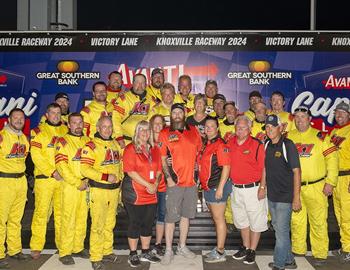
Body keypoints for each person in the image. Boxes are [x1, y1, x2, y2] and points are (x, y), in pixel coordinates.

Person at [288, 106, 338, 266]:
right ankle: (298, 250)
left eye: (303, 116)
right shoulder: (289, 136)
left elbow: (332, 160)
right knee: (296, 221)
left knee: (318, 221)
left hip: (317, 186)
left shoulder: (321, 137)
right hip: (295, 187)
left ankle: (320, 253)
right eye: (297, 117)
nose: (300, 120)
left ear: (310, 119)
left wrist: (330, 182)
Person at [158, 103, 202, 265]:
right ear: (170, 115)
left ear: (184, 114)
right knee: (170, 217)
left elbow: (199, 152)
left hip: (191, 182)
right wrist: (168, 178)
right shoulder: (164, 132)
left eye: (179, 112)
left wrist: (197, 171)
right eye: (174, 112)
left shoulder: (194, 131)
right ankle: (168, 250)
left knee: (185, 216)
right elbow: (162, 159)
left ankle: (182, 246)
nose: (177, 115)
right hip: (174, 183)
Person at [81, 116, 122, 270]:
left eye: (110, 126)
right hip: (99, 190)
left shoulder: (115, 144)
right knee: (98, 225)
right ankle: (96, 256)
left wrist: (120, 184)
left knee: (110, 224)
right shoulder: (90, 146)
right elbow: (84, 169)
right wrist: (105, 176)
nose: (107, 129)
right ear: (97, 128)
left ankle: (107, 251)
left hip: (114, 191)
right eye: (104, 126)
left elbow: (120, 166)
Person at [30, 103, 68, 259]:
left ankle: (62, 246)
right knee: (41, 214)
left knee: (61, 214)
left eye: (58, 112)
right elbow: (36, 156)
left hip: (62, 179)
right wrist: (52, 172)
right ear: (46, 114)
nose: (55, 115)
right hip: (45, 179)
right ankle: (36, 246)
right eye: (52, 112)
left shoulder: (66, 130)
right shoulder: (37, 131)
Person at [227, 115, 267, 265]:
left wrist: (262, 187)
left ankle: (252, 250)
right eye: (238, 127)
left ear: (250, 129)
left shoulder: (257, 145)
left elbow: (264, 168)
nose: (241, 130)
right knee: (242, 221)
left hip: (254, 188)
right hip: (236, 188)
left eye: (244, 127)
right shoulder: (230, 143)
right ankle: (245, 246)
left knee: (256, 221)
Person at [122, 120, 162, 267]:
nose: (145, 133)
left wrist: (156, 184)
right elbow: (130, 171)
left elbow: (159, 169)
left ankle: (145, 251)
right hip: (135, 193)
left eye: (147, 130)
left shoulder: (155, 149)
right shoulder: (130, 149)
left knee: (148, 223)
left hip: (151, 192)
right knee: (135, 223)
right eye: (142, 130)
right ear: (137, 132)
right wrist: (148, 185)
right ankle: (133, 254)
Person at [264, 114, 302, 270]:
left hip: (285, 197)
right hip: (272, 196)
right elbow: (265, 169)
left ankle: (279, 264)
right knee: (279, 229)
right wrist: (262, 187)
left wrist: (296, 198)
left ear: (280, 128)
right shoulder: (267, 144)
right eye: (267, 127)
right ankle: (289, 260)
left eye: (273, 127)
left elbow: (297, 172)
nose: (269, 130)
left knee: (281, 232)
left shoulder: (288, 145)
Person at [55, 113, 90, 265]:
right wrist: (77, 182)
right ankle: (65, 252)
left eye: (80, 122)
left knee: (82, 218)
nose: (78, 125)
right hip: (70, 186)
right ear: (68, 125)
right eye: (74, 123)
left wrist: (87, 180)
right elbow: (61, 167)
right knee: (68, 219)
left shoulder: (88, 141)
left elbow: (93, 164)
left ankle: (78, 247)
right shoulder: (62, 142)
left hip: (86, 185)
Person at [198, 117, 231, 263]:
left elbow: (227, 167)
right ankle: (219, 247)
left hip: (217, 187)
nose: (209, 128)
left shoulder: (220, 144)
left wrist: (220, 188)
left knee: (219, 220)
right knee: (216, 219)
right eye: (206, 126)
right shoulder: (207, 144)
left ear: (217, 129)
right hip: (208, 187)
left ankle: (220, 251)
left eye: (212, 126)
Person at [0, 109, 30, 269]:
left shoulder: (24, 138)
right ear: (9, 119)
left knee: (15, 219)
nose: (19, 120)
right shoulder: (2, 136)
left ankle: (14, 249)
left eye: (21, 118)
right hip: (4, 181)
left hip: (21, 181)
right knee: (0, 220)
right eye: (15, 117)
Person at [329, 101, 350, 263]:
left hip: (348, 177)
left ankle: (349, 249)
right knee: (338, 215)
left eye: (342, 113)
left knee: (347, 216)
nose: (339, 115)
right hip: (336, 178)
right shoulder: (334, 131)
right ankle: (345, 246)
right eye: (337, 112)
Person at [113, 73, 154, 148]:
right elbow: (116, 119)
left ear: (146, 84)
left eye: (142, 82)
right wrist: (119, 137)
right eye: (137, 82)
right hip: (126, 141)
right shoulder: (123, 99)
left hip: (144, 142)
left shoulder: (151, 100)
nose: (140, 85)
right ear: (133, 83)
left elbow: (152, 119)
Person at [149, 115, 167, 256]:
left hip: (162, 185)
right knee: (148, 216)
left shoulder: (167, 139)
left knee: (161, 215)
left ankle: (158, 243)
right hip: (147, 185)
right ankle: (145, 243)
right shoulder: (144, 140)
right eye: (155, 123)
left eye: (160, 123)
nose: (157, 126)